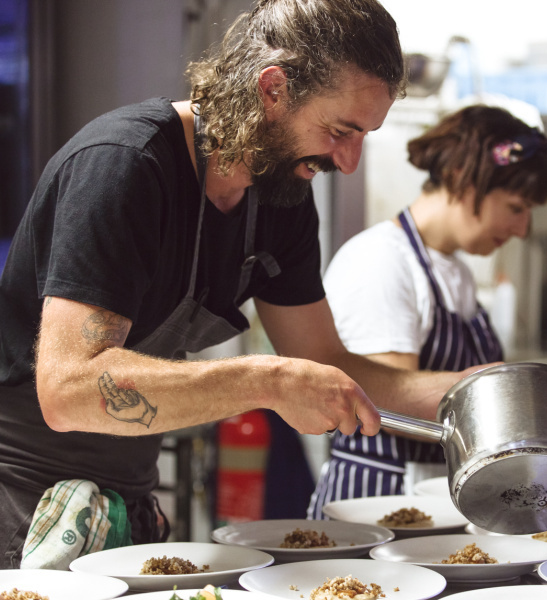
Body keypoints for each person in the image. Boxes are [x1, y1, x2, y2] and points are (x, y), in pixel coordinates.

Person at [0, 0, 484, 568]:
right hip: (20, 502)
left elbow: (325, 361)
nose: (348, 162)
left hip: (125, 498)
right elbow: (70, 389)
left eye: (362, 138)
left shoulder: (282, 199)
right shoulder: (125, 165)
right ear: (272, 89)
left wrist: (472, 392)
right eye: (339, 131)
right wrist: (269, 380)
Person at [307, 105, 547, 517]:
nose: (523, 229)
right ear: (462, 179)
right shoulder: (382, 261)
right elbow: (389, 404)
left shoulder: (454, 272)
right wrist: (528, 405)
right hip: (376, 505)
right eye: (516, 207)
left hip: (432, 502)